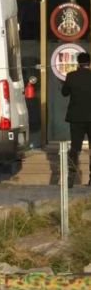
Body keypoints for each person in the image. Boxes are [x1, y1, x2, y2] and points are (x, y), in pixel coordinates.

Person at [62, 52, 91, 188]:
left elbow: (64, 93)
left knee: (74, 148)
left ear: (78, 63)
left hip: (76, 118)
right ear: (89, 63)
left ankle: (70, 179)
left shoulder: (71, 76)